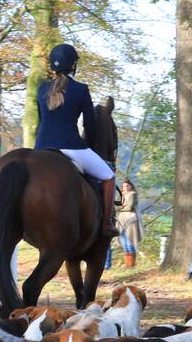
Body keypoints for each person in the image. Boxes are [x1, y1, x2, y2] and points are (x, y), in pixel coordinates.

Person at [34, 43, 118, 237]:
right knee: (108, 176)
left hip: (41, 148)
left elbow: (41, 121)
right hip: (71, 147)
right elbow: (90, 125)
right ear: (73, 65)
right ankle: (106, 224)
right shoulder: (80, 90)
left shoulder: (41, 90)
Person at [117, 179, 142, 267]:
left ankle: (131, 265)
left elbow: (129, 206)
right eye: (124, 186)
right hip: (121, 220)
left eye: (127, 186)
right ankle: (128, 264)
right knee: (124, 243)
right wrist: (121, 207)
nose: (125, 187)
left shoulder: (133, 194)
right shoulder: (122, 195)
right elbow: (119, 205)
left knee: (130, 242)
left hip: (130, 219)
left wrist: (120, 207)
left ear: (131, 186)